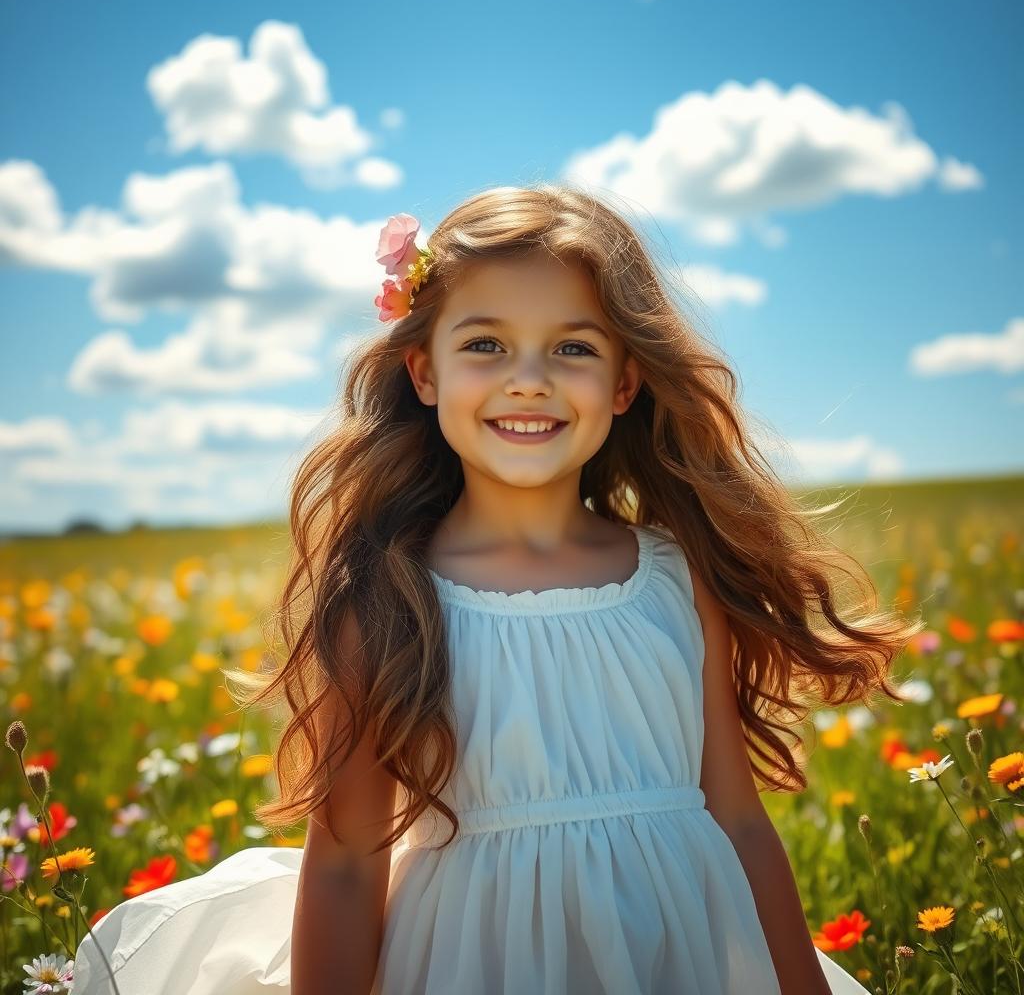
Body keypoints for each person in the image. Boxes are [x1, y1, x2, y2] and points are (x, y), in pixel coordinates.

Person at [73, 185, 919, 994]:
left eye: (574, 348)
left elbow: (736, 819)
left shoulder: (675, 578)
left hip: (678, 955)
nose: (529, 378)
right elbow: (342, 864)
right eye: (485, 344)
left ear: (625, 383)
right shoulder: (390, 598)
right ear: (424, 372)